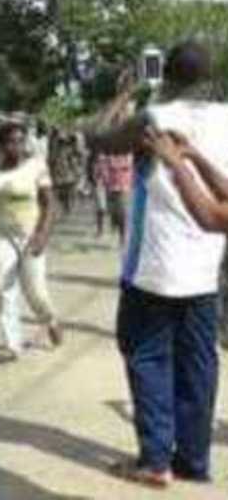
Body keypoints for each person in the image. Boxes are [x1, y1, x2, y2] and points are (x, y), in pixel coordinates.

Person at [86, 42, 228, 489]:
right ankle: (193, 459)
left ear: (165, 74)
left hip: (153, 266)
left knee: (146, 355)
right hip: (205, 271)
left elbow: (96, 136)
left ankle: (154, 460)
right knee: (198, 365)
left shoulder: (155, 120)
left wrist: (123, 95)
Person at [0, 122, 61, 363]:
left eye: (19, 141)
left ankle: (49, 320)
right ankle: (12, 345)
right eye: (9, 142)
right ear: (0, 145)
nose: (15, 147)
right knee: (3, 287)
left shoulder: (36, 166)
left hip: (29, 235)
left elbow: (50, 204)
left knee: (35, 290)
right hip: (0, 234)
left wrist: (42, 235)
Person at [96, 152, 133, 247]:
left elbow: (132, 167)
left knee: (122, 212)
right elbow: (102, 167)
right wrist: (104, 180)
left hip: (124, 186)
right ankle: (113, 227)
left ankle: (123, 237)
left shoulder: (129, 154)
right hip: (111, 186)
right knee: (113, 211)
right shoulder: (106, 155)